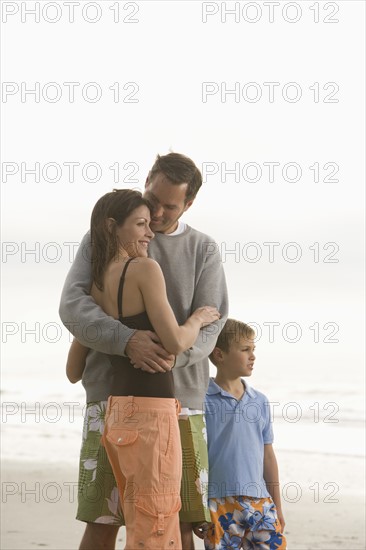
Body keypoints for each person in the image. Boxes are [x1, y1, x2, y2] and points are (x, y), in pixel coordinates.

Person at [59, 153, 229, 550]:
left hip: (182, 399)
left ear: (189, 205)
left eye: (170, 205)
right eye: (152, 199)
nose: (156, 214)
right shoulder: (103, 239)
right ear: (147, 181)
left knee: (180, 521)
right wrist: (125, 340)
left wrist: (170, 357)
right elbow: (72, 305)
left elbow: (214, 321)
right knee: (104, 517)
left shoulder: (203, 248)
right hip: (109, 397)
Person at [203, 319, 286, 550]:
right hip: (218, 502)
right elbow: (195, 459)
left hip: (260, 501)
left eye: (253, 349)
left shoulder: (259, 401)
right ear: (219, 354)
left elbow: (268, 456)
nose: (253, 356)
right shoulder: (203, 400)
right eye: (245, 349)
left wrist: (277, 506)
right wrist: (195, 511)